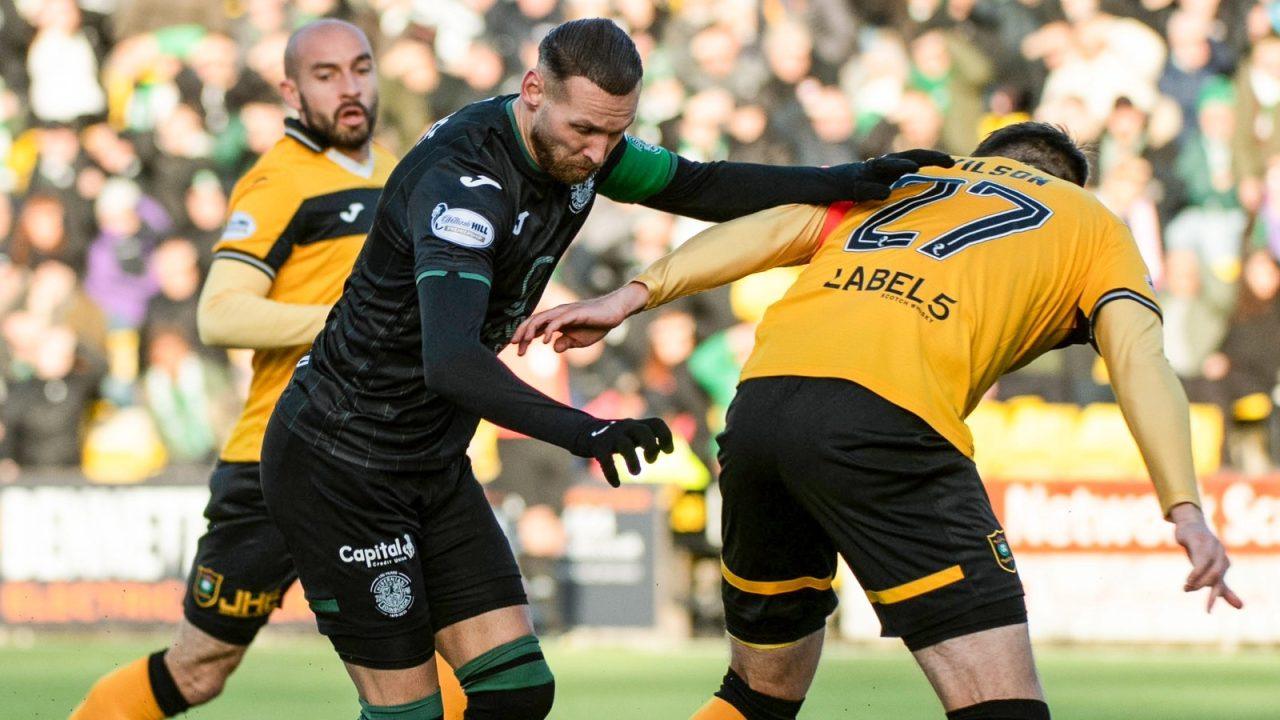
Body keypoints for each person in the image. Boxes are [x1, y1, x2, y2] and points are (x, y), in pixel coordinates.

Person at [258, 18, 951, 720]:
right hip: (339, 462)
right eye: (585, 131)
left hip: (425, 461)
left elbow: (699, 185)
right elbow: (452, 361)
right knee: (410, 712)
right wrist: (583, 431)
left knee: (517, 692)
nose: (597, 154)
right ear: (533, 91)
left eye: (614, 135)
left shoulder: (582, 145)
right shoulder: (464, 186)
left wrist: (844, 180)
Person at [513, 122, 1243, 720]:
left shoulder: (912, 183)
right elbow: (1142, 360)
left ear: (979, 160)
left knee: (758, 694)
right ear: (1066, 183)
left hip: (763, 406)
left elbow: (774, 228)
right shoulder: (1092, 224)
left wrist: (631, 296)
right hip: (888, 421)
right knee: (1002, 705)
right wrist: (1184, 504)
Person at [67, 19, 446, 720]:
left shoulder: (402, 173)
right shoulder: (278, 181)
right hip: (275, 457)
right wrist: (349, 324)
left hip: (380, 458)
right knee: (198, 670)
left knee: (447, 670)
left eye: (360, 69)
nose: (350, 88)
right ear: (290, 89)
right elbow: (220, 315)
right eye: (326, 75)